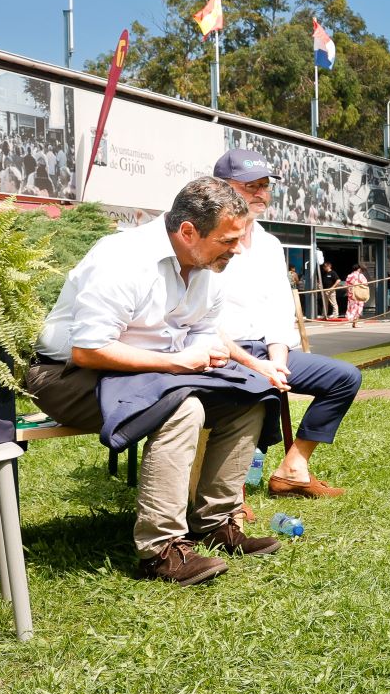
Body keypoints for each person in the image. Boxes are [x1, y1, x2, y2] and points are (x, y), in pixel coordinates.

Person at [23, 177, 281, 586]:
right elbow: (88, 350)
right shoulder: (123, 259)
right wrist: (177, 364)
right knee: (182, 406)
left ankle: (215, 521)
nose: (236, 249)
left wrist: (203, 354)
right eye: (228, 240)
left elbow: (201, 331)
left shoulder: (207, 266)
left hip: (152, 372)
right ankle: (160, 551)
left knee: (249, 396)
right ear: (188, 232)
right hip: (66, 375)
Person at [210, 149, 359, 500]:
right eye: (250, 186)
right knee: (254, 390)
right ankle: (229, 495)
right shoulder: (206, 239)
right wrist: (254, 365)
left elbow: (279, 312)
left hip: (267, 348)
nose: (261, 193)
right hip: (222, 351)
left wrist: (277, 358)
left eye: (264, 185)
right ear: (221, 189)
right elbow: (199, 318)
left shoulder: (270, 244)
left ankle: (293, 467)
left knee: (344, 378)